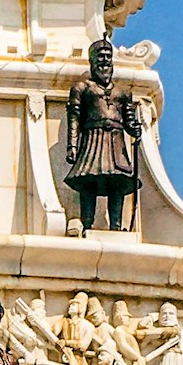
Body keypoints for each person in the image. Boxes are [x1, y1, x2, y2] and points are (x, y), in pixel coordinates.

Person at [65, 36, 144, 233]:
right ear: (92, 61)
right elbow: (74, 118)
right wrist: (72, 145)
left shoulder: (123, 92)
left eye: (108, 57)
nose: (105, 61)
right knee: (88, 180)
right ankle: (87, 224)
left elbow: (128, 119)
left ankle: (116, 226)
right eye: (100, 57)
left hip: (116, 141)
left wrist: (135, 129)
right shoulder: (82, 88)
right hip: (92, 138)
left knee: (117, 182)